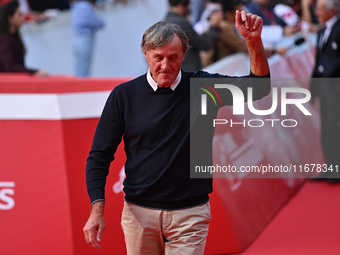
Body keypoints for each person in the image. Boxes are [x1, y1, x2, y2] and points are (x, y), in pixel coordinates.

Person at [83, 10, 270, 255]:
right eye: (158, 57)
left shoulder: (204, 88)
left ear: (184, 55)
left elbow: (258, 88)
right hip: (138, 215)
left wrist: (253, 42)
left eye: (173, 57)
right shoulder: (124, 95)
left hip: (190, 214)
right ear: (145, 53)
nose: (165, 65)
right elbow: (99, 156)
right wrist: (97, 210)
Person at [310, 0, 340, 182]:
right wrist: (313, 87)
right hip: (324, 86)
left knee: (334, 126)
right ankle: (330, 166)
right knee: (327, 127)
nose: (316, 13)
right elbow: (319, 60)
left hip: (336, 85)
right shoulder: (321, 31)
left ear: (331, 11)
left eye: (320, 9)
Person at [164, 0, 222, 72]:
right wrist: (213, 26)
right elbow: (205, 45)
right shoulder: (182, 23)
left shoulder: (165, 22)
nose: (190, 8)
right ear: (182, 4)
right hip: (190, 73)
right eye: (189, 4)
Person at [0, 0, 48, 75]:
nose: (22, 18)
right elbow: (9, 67)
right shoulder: (5, 40)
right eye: (20, 15)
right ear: (10, 18)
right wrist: (34, 72)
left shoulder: (13, 37)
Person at [70, 0, 105, 77]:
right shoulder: (84, 6)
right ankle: (82, 87)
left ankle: (79, 86)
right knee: (84, 68)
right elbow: (100, 23)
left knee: (80, 66)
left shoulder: (77, 6)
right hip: (85, 39)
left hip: (77, 39)